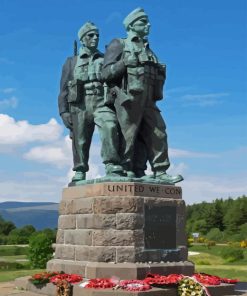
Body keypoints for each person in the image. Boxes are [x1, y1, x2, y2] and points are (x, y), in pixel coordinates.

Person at [102, 8, 183, 184]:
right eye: (143, 22)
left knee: (158, 132)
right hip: (129, 98)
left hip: (149, 99)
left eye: (147, 22)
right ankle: (125, 169)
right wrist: (123, 63)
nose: (148, 25)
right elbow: (105, 73)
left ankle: (160, 171)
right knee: (128, 135)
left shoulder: (149, 49)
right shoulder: (119, 44)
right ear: (131, 25)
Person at [58, 22, 124, 183]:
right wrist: (64, 112)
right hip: (80, 104)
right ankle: (80, 169)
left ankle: (112, 165)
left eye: (97, 35)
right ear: (82, 39)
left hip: (102, 101)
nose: (95, 38)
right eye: (90, 35)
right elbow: (63, 89)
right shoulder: (71, 62)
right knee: (80, 139)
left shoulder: (105, 59)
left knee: (109, 126)